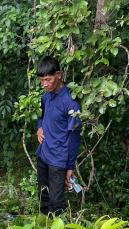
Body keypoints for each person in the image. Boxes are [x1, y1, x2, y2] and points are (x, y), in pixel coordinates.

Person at [35, 56, 81, 215]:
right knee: (43, 196)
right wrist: (39, 127)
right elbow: (40, 115)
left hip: (59, 159)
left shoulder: (70, 101)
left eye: (48, 79)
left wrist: (70, 166)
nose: (45, 84)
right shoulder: (46, 96)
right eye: (42, 80)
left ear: (59, 75)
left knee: (56, 202)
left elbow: (74, 137)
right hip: (43, 153)